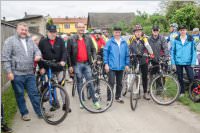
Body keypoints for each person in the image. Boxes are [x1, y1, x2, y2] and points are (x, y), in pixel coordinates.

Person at [2, 22, 43, 120]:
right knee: (19, 94)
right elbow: (5, 58)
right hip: (17, 74)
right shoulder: (10, 41)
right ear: (17, 29)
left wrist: (38, 55)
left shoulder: (30, 41)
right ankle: (24, 113)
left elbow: (37, 50)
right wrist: (9, 72)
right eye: (22, 29)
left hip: (30, 73)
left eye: (25, 30)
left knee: (34, 93)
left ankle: (40, 112)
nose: (24, 32)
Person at [67, 23, 101, 109]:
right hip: (77, 64)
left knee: (90, 82)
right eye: (79, 27)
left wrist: (94, 58)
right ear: (76, 28)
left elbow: (93, 49)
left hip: (87, 63)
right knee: (80, 83)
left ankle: (95, 101)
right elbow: (68, 53)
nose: (81, 29)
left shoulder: (88, 38)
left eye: (83, 27)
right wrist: (70, 66)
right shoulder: (71, 39)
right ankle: (82, 101)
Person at [38, 25, 71, 112]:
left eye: (54, 32)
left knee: (62, 85)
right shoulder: (42, 42)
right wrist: (41, 67)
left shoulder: (60, 40)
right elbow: (39, 55)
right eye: (51, 32)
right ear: (47, 32)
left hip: (59, 67)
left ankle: (65, 104)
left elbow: (64, 52)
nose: (53, 34)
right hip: (48, 67)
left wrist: (63, 60)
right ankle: (54, 103)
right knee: (51, 86)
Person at [103, 26, 130, 103]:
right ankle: (109, 99)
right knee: (111, 83)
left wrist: (127, 64)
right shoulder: (109, 42)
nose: (117, 34)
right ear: (113, 33)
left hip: (121, 66)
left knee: (119, 83)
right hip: (111, 66)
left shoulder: (124, 42)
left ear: (120, 33)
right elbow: (105, 53)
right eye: (116, 32)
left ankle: (118, 97)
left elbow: (127, 54)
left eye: (119, 32)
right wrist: (106, 64)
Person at [128, 24, 154, 100]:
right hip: (135, 60)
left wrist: (151, 53)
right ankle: (137, 92)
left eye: (139, 31)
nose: (138, 33)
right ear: (134, 32)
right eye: (136, 31)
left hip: (143, 60)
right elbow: (128, 48)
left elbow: (148, 46)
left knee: (144, 77)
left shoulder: (144, 38)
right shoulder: (131, 39)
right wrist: (129, 54)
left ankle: (145, 93)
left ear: (141, 32)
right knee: (136, 76)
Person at [171, 25, 196, 97]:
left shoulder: (191, 39)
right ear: (179, 31)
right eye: (181, 30)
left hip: (188, 62)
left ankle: (193, 92)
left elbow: (193, 52)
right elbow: (173, 51)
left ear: (186, 30)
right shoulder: (176, 39)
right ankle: (182, 92)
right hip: (178, 62)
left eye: (184, 30)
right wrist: (173, 62)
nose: (182, 31)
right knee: (180, 78)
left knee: (191, 77)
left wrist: (193, 62)